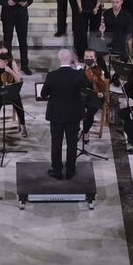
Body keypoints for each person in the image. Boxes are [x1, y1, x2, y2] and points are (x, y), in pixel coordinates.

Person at [42, 48, 91, 180]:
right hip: (73, 114)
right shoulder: (78, 75)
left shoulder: (51, 75)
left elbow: (43, 94)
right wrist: (79, 66)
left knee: (56, 142)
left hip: (56, 115)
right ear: (71, 60)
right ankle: (70, 171)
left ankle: (57, 171)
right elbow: (88, 84)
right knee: (72, 143)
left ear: (59, 60)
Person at [0, 45, 27, 136]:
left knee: (18, 104)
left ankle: (23, 126)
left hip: (11, 89)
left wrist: (10, 71)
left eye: (5, 53)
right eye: (1, 53)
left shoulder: (12, 62)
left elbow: (18, 80)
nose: (4, 55)